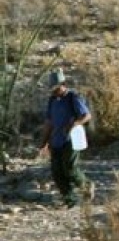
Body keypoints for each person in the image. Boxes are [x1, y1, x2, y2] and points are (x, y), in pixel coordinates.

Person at [39, 69, 94, 208]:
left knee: (69, 168)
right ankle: (69, 199)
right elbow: (49, 122)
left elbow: (86, 115)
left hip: (71, 140)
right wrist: (44, 142)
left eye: (56, 88)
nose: (54, 91)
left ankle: (86, 185)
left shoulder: (73, 97)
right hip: (56, 140)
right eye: (52, 89)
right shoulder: (52, 100)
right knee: (57, 172)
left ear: (63, 84)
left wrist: (75, 124)